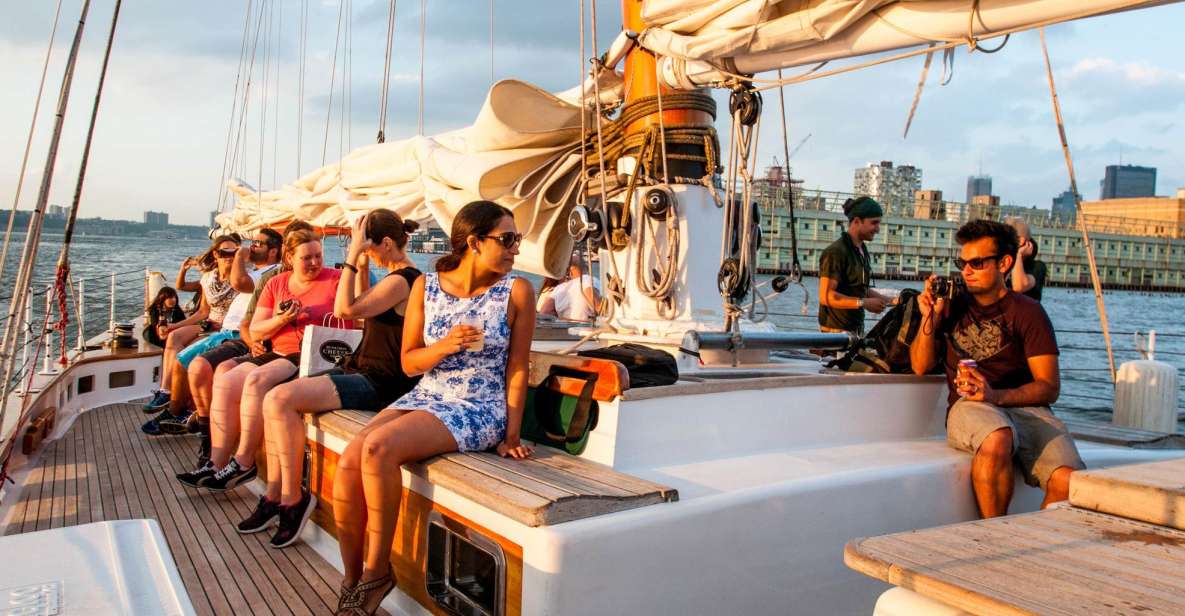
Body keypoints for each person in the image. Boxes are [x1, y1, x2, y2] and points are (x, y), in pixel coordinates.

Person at [331, 201, 535, 614]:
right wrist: (444, 346)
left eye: (517, 239)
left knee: (378, 449)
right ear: (475, 243)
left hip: (479, 404)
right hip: (428, 393)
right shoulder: (426, 285)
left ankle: (375, 573)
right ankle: (352, 578)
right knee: (350, 460)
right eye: (508, 239)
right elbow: (409, 362)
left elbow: (517, 368)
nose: (516, 248)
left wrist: (511, 435)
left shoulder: (516, 291)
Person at [237, 209, 423, 549]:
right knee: (274, 399)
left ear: (384, 243)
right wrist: (360, 262)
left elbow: (344, 310)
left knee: (280, 399)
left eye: (368, 249)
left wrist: (352, 256)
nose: (366, 254)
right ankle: (276, 494)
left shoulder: (404, 280)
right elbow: (353, 305)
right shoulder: (396, 279)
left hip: (382, 380)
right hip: (362, 368)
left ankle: (293, 500)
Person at [910, 219, 1084, 519]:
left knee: (1070, 481)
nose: (966, 271)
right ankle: (994, 535)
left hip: (1025, 407)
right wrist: (931, 317)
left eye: (976, 263)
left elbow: (1049, 387)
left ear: (1004, 263)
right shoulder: (951, 305)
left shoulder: (1029, 312)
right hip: (970, 405)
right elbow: (921, 366)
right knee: (998, 436)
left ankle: (1028, 549)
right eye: (962, 262)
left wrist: (995, 395)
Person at [177, 228, 344, 492]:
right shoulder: (276, 283)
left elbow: (354, 319)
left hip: (312, 354)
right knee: (226, 381)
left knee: (255, 380)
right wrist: (282, 319)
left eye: (318, 256)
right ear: (290, 257)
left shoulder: (337, 280)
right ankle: (216, 462)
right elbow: (255, 330)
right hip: (277, 351)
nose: (314, 263)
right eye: (307, 258)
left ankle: (244, 462)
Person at [158, 228, 283, 446]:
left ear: (273, 252)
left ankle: (183, 416)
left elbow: (237, 282)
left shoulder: (271, 272)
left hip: (235, 335)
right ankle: (185, 413)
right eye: (252, 242)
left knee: (189, 364)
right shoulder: (258, 272)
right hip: (228, 330)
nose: (252, 246)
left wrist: (241, 255)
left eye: (258, 244)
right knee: (182, 359)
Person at [142, 235, 242, 431]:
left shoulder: (241, 279)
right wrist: (173, 326)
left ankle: (184, 407)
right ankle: (165, 391)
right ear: (216, 254)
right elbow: (203, 311)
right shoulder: (208, 279)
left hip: (225, 327)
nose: (229, 257)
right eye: (224, 253)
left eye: (234, 252)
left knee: (188, 349)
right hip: (209, 322)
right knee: (173, 336)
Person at [818, 196, 890, 335]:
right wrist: (863, 303)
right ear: (857, 221)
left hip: (855, 332)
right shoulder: (835, 252)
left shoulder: (861, 250)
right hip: (835, 336)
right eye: (874, 223)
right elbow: (826, 296)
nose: (878, 229)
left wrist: (893, 300)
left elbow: (861, 289)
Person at [1006, 218, 1047, 302]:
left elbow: (1019, 286)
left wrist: (1018, 255)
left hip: (1025, 313)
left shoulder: (1038, 267)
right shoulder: (1001, 263)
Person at [552, 252, 599, 320]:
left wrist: (563, 319)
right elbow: (598, 306)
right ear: (587, 268)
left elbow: (545, 311)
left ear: (569, 272)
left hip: (565, 328)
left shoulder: (559, 288)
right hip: (587, 328)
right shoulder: (589, 280)